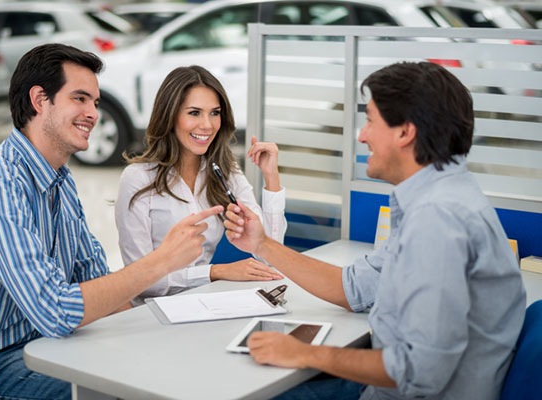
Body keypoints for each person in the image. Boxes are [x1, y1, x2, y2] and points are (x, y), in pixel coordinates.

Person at [223, 61, 526, 399]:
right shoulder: (441, 197)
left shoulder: (438, 220)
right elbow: (354, 289)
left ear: (404, 132)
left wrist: (306, 354)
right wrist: (261, 244)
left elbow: (419, 371)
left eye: (370, 120)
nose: (362, 135)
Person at [0, 44, 222, 400]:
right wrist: (161, 262)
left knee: (166, 367)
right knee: (130, 389)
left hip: (46, 346)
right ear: (39, 100)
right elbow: (56, 311)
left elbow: (95, 279)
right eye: (80, 98)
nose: (93, 113)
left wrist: (165, 333)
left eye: (95, 102)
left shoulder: (60, 179)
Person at [115, 65, 286, 303]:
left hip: (206, 304)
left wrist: (272, 179)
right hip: (154, 316)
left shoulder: (226, 172)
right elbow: (140, 281)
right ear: (170, 116)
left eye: (214, 113)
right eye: (194, 113)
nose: (207, 125)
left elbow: (270, 257)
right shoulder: (139, 179)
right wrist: (214, 272)